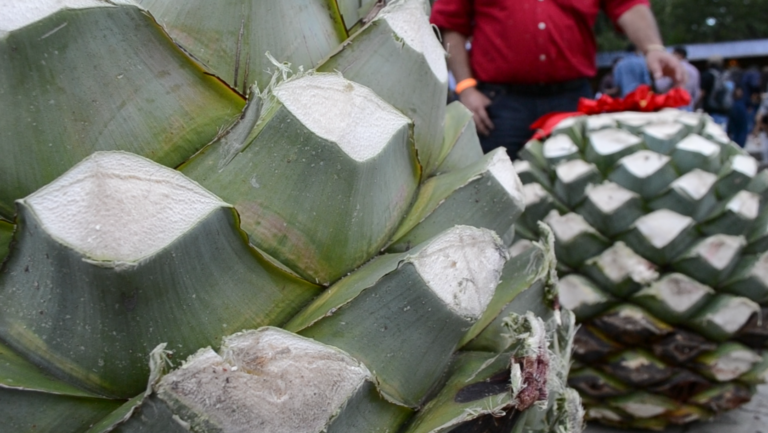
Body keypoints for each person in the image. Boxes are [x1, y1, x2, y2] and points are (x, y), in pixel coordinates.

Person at [430, 0, 684, 158]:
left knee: (576, 190)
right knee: (494, 193)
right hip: (499, 106)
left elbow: (628, 5)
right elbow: (451, 24)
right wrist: (465, 87)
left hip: (572, 101)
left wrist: (653, 48)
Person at [701, 57, 732, 128]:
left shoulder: (708, 74)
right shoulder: (726, 75)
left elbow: (702, 92)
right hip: (725, 111)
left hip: (710, 111)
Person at [672, 46, 700, 111]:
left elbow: (661, 86)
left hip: (673, 107)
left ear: (680, 55)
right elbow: (696, 93)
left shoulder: (673, 68)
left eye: (673, 54)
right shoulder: (694, 70)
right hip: (689, 105)